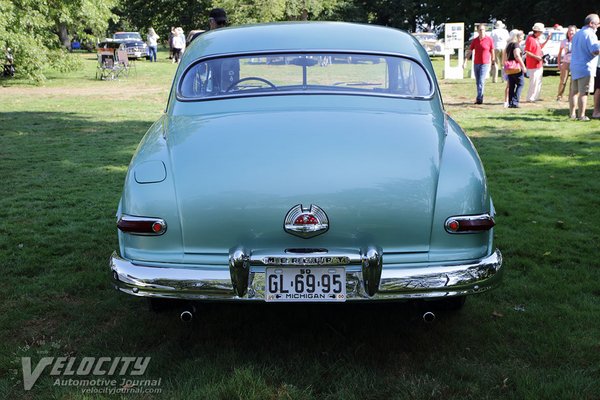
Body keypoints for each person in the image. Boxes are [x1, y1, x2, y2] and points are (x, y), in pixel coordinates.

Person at [569, 14, 600, 120]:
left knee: (574, 91)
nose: (598, 26)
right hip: (586, 67)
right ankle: (581, 116)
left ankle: (572, 114)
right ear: (591, 24)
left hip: (575, 66)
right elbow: (595, 51)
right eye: (597, 23)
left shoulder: (577, 33)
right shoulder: (590, 34)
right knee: (584, 92)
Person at [464, 24, 494, 104]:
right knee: (478, 81)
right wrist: (465, 61)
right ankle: (479, 96)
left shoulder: (489, 39)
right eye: (480, 30)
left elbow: (492, 50)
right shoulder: (475, 40)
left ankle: (480, 98)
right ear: (477, 31)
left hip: (485, 63)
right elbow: (470, 51)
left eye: (483, 29)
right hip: (476, 63)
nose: (482, 31)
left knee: (481, 80)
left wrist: (493, 61)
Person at [524, 23, 550, 102]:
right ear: (537, 31)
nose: (541, 33)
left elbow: (540, 47)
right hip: (533, 64)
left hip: (538, 63)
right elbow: (527, 51)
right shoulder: (530, 39)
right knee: (534, 81)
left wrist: (547, 40)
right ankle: (530, 98)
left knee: (538, 81)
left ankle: (535, 96)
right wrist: (537, 57)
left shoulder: (536, 39)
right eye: (541, 32)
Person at [503, 30, 527, 108]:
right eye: (522, 36)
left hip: (509, 67)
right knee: (520, 84)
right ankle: (515, 102)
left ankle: (510, 102)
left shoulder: (509, 45)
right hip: (516, 67)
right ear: (518, 36)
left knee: (512, 85)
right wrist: (523, 66)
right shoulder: (516, 45)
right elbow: (517, 55)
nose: (523, 38)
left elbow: (505, 56)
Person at [556, 25, 577, 101]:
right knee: (563, 80)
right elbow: (559, 53)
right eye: (569, 31)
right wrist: (559, 64)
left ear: (575, 32)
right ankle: (559, 96)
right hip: (566, 62)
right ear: (567, 32)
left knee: (573, 81)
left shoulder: (578, 41)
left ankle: (571, 97)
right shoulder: (564, 41)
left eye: (572, 31)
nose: (571, 32)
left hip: (575, 63)